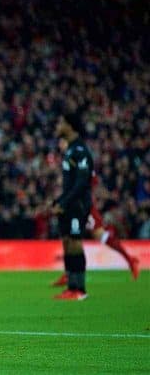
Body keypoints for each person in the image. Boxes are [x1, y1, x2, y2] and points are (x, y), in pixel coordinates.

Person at [51, 147, 140, 287]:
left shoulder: (83, 166)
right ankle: (69, 273)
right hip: (73, 206)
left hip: (83, 207)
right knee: (68, 237)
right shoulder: (71, 167)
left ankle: (130, 260)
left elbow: (92, 184)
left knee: (97, 235)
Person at [49, 112, 94, 301]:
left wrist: (65, 202)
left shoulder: (80, 151)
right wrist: (58, 202)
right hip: (68, 203)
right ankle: (71, 288)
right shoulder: (69, 150)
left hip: (78, 204)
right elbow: (69, 184)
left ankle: (80, 290)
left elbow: (82, 182)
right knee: (67, 242)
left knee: (75, 242)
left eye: (61, 122)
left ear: (70, 125)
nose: (58, 125)